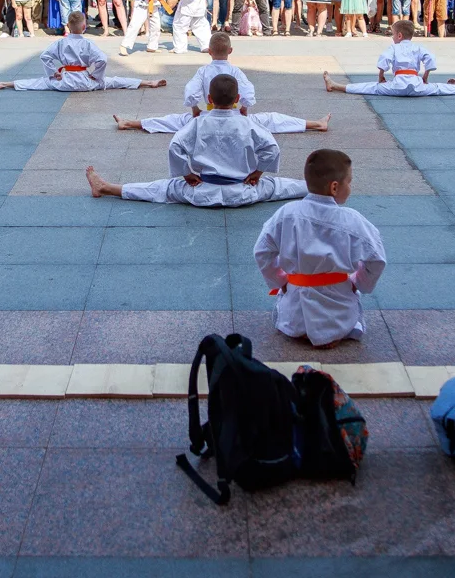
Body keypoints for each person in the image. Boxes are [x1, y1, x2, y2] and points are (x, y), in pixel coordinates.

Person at [85, 74, 309, 208]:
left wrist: (186, 174)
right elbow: (272, 148)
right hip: (243, 190)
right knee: (281, 186)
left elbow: (175, 146)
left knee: (163, 188)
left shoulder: (197, 123)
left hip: (202, 192)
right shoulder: (249, 124)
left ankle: (107, 188)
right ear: (238, 100)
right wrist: (258, 173)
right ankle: (322, 188)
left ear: (209, 100)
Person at [255, 149, 387, 348]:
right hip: (338, 307)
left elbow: (262, 251)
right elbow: (376, 259)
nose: (350, 187)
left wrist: (280, 280)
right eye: (349, 182)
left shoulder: (286, 214)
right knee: (347, 314)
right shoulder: (353, 221)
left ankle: (301, 330)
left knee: (290, 309)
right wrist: (359, 283)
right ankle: (334, 332)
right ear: (334, 187)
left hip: (294, 312)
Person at [114, 32, 329, 134]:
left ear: (208, 51)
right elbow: (249, 93)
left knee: (173, 121)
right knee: (272, 120)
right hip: (235, 116)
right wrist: (244, 108)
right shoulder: (235, 71)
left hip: (208, 115)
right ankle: (316, 124)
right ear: (231, 51)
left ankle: (130, 123)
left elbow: (190, 91)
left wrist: (194, 109)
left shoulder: (203, 71)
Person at [0, 11, 165, 92]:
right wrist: (96, 76)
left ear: (68, 26)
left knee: (39, 83)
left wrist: (53, 74)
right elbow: (102, 60)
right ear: (84, 26)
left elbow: (45, 56)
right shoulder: (88, 44)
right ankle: (148, 83)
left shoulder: (61, 42)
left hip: (64, 82)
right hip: (85, 82)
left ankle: (6, 83)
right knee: (114, 81)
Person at [324, 20, 455, 96]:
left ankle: (336, 86)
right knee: (438, 88)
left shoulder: (394, 47)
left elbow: (384, 61)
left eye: (393, 35)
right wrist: (425, 77)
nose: (393, 38)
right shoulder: (418, 47)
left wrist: (381, 76)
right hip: (416, 86)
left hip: (397, 86)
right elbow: (429, 60)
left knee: (372, 87)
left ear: (399, 35)